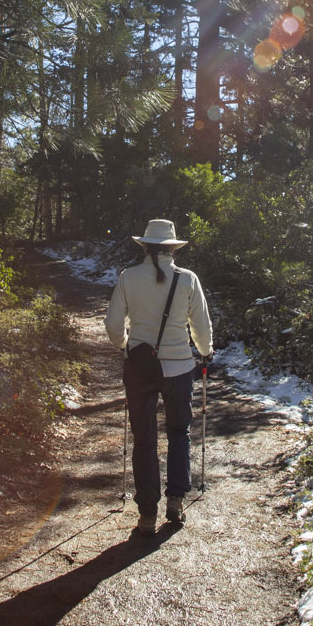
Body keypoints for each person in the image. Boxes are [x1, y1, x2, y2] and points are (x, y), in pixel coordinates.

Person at [105, 218, 213, 536]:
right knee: (179, 432)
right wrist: (205, 351)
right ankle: (175, 500)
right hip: (179, 368)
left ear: (145, 247)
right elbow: (201, 325)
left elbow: (113, 325)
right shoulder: (188, 279)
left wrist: (126, 346)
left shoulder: (128, 278)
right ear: (172, 248)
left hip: (140, 369)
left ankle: (147, 514)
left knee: (144, 438)